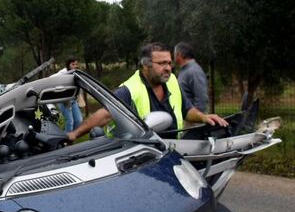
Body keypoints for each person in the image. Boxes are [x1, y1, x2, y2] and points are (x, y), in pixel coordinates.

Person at [66, 42, 227, 141]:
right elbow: (105, 114)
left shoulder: (171, 81)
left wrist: (203, 117)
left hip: (171, 150)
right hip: (139, 157)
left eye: (170, 63)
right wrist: (74, 134)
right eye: (162, 63)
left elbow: (187, 110)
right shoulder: (130, 89)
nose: (168, 68)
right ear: (145, 65)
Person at [175, 42, 209, 112]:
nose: (173, 56)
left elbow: (201, 99)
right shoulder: (185, 70)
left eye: (174, 54)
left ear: (180, 54)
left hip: (194, 120)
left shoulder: (194, 71)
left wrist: (197, 117)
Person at [55, 56, 84, 132]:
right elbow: (51, 78)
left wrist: (80, 97)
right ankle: (66, 141)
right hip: (64, 100)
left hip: (73, 100)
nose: (75, 66)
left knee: (79, 120)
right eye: (73, 64)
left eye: (76, 64)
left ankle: (71, 136)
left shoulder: (77, 72)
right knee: (70, 122)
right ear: (68, 65)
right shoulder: (63, 73)